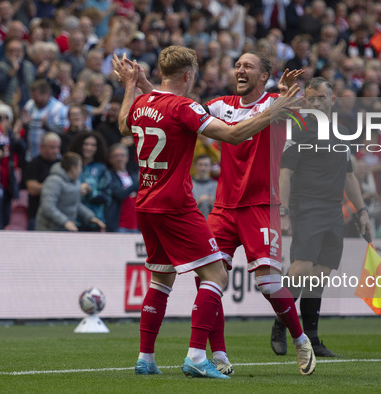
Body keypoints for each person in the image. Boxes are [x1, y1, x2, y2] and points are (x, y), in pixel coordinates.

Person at [113, 46, 305, 378]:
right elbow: (231, 135)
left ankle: (146, 358)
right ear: (188, 76)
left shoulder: (144, 103)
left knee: (161, 280)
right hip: (177, 205)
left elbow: (123, 123)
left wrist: (133, 84)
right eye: (237, 64)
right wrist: (279, 107)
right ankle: (198, 358)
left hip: (145, 204)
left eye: (247, 66)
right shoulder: (189, 106)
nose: (239, 70)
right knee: (215, 275)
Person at [271, 77, 372, 357]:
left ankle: (313, 339)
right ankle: (280, 325)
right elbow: (285, 173)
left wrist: (362, 211)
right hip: (307, 206)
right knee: (301, 268)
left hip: (333, 210)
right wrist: (284, 210)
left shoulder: (340, 133)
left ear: (332, 100)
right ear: (305, 102)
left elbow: (349, 175)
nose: (316, 103)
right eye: (311, 99)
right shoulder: (300, 129)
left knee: (319, 276)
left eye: (321, 98)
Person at [35, 152, 105, 232]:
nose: (80, 170)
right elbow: (48, 207)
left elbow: (75, 203)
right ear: (73, 168)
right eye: (79, 167)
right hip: (48, 230)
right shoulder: (54, 181)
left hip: (65, 230)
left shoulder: (75, 182)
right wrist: (65, 222)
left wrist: (90, 217)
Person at [68, 131, 112, 231]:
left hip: (95, 220)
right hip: (72, 221)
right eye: (86, 144)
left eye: (93, 145)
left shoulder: (101, 169)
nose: (89, 148)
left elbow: (107, 198)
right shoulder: (70, 167)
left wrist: (90, 193)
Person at [22, 132, 61, 230]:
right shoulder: (34, 164)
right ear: (42, 147)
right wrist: (56, 186)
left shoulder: (62, 165)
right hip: (37, 214)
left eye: (57, 147)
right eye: (52, 147)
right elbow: (32, 189)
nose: (56, 151)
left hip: (58, 214)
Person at [106, 143, 138, 233]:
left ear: (127, 157)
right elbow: (120, 194)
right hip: (119, 226)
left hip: (136, 225)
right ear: (110, 159)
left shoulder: (133, 176)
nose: (119, 158)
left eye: (122, 155)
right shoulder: (109, 176)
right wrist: (137, 183)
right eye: (116, 156)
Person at [191, 154, 217, 219]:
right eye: (200, 165)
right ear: (195, 166)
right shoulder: (188, 185)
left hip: (211, 225)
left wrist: (212, 205)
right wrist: (197, 204)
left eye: (206, 165)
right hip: (192, 224)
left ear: (211, 167)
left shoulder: (217, 186)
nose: (203, 168)